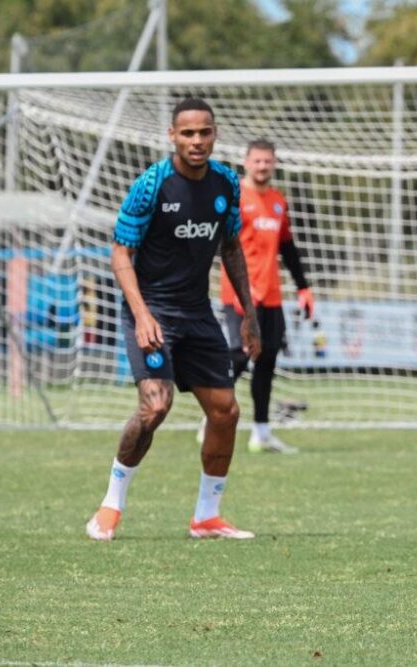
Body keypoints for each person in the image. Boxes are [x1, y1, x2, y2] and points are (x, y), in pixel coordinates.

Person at [86, 97, 261, 541]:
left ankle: (206, 516)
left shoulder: (226, 183)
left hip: (198, 313)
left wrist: (249, 314)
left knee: (226, 412)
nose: (197, 141)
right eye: (188, 133)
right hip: (153, 310)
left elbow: (231, 248)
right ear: (172, 137)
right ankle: (111, 505)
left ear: (215, 134)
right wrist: (142, 314)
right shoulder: (151, 185)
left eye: (204, 132)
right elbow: (120, 252)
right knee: (155, 406)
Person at [212, 138, 315, 454]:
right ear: (246, 162)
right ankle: (212, 417)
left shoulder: (277, 200)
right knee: (241, 355)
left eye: (267, 161)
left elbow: (287, 247)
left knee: (267, 360)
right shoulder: (235, 197)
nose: (262, 166)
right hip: (240, 295)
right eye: (257, 160)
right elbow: (221, 244)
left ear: (273, 163)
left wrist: (303, 287)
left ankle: (261, 432)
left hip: (272, 296)